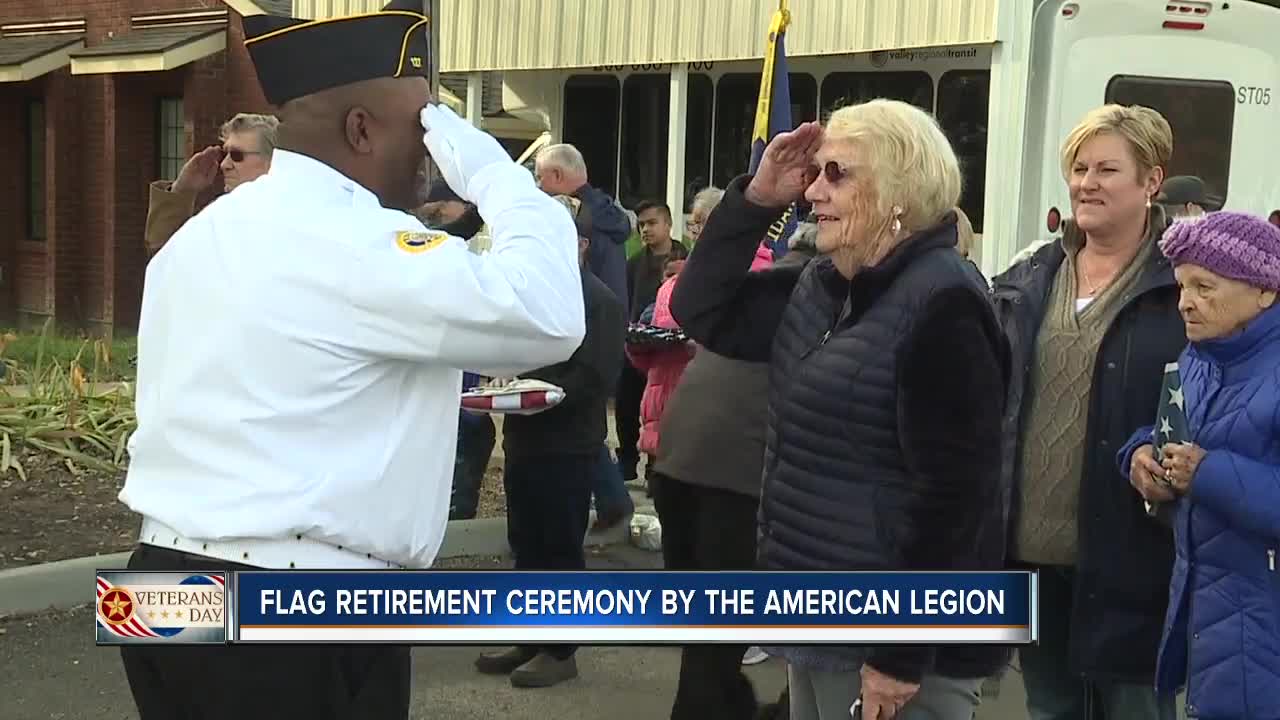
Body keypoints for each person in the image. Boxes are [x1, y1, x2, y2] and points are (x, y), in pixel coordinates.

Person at [115, 2, 585, 717]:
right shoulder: (357, 242)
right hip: (293, 601)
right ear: (361, 128)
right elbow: (549, 315)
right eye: (424, 125)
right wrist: (498, 176)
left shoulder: (201, 237)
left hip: (154, 586)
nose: (433, 151)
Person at [671, 99, 1010, 720]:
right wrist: (757, 201)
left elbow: (957, 500)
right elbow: (700, 310)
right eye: (817, 172)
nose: (814, 193)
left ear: (898, 193)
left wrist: (898, 655)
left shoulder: (946, 304)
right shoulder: (825, 283)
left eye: (838, 175)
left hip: (891, 648)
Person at [991, 104, 1184, 720]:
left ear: (1151, 182)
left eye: (1107, 169)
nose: (1086, 183)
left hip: (1132, 552)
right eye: (1078, 168)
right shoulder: (1030, 276)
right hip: (1031, 550)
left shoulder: (1182, 286)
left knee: (1133, 710)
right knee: (1050, 708)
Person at [1118, 211, 1280, 720]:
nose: (1185, 301)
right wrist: (1140, 455)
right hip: (1203, 622)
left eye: (1205, 286)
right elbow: (1174, 432)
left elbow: (1205, 462)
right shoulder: (1197, 358)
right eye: (1182, 285)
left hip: (1262, 632)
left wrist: (1206, 474)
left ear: (1264, 292)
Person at [474, 195, 625, 688]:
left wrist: (539, 394)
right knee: (527, 543)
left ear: (575, 244)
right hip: (524, 438)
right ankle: (529, 636)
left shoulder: (598, 300)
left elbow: (596, 376)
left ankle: (561, 650)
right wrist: (503, 387)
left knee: (560, 549)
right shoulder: (534, 295)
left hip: (568, 443)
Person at [618, 200, 690, 485]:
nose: (645, 229)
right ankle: (626, 462)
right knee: (627, 404)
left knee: (662, 410)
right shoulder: (634, 263)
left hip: (671, 352)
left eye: (651, 223)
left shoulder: (688, 260)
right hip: (637, 345)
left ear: (668, 223)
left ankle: (656, 466)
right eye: (641, 224)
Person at [144, 112, 278, 256]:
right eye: (224, 154)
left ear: (272, 160)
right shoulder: (219, 218)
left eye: (236, 155)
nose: (224, 165)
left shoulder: (290, 218)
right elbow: (164, 259)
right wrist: (182, 190)